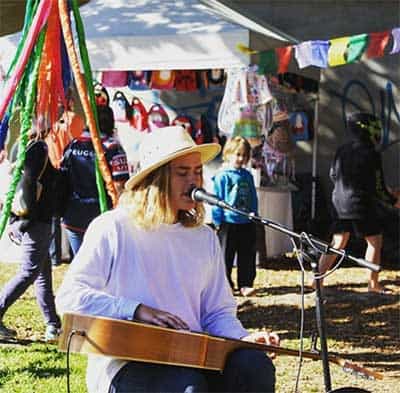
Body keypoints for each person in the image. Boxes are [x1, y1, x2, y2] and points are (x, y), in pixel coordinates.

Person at [55, 126, 279, 393]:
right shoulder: (113, 227)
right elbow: (69, 298)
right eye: (182, 173)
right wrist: (135, 310)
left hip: (195, 356)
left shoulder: (204, 237)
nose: (194, 181)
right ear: (155, 179)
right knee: (188, 388)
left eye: (197, 172)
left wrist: (244, 339)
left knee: (255, 367)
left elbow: (217, 312)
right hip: (127, 361)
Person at [315, 112, 400, 294]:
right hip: (359, 204)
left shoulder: (342, 150)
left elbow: (333, 175)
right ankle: (373, 284)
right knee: (374, 241)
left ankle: (317, 282)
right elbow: (378, 187)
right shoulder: (371, 154)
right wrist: (393, 200)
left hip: (339, 202)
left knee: (337, 242)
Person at [0, 116, 62, 341]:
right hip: (36, 220)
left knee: (41, 273)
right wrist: (27, 219)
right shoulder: (38, 148)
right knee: (29, 272)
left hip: (29, 218)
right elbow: (28, 183)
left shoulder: (21, 146)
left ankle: (53, 324)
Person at [59, 105, 129, 255]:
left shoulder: (71, 146)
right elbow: (120, 187)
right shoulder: (113, 148)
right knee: (104, 267)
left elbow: (62, 177)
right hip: (102, 216)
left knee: (81, 264)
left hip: (73, 215)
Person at [212, 136, 258, 297]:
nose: (241, 159)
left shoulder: (247, 175)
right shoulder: (222, 176)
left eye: (244, 156)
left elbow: (253, 196)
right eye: (237, 154)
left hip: (246, 221)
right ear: (228, 153)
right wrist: (217, 220)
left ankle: (245, 283)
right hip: (227, 222)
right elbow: (216, 199)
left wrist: (254, 214)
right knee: (226, 256)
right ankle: (226, 285)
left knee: (247, 254)